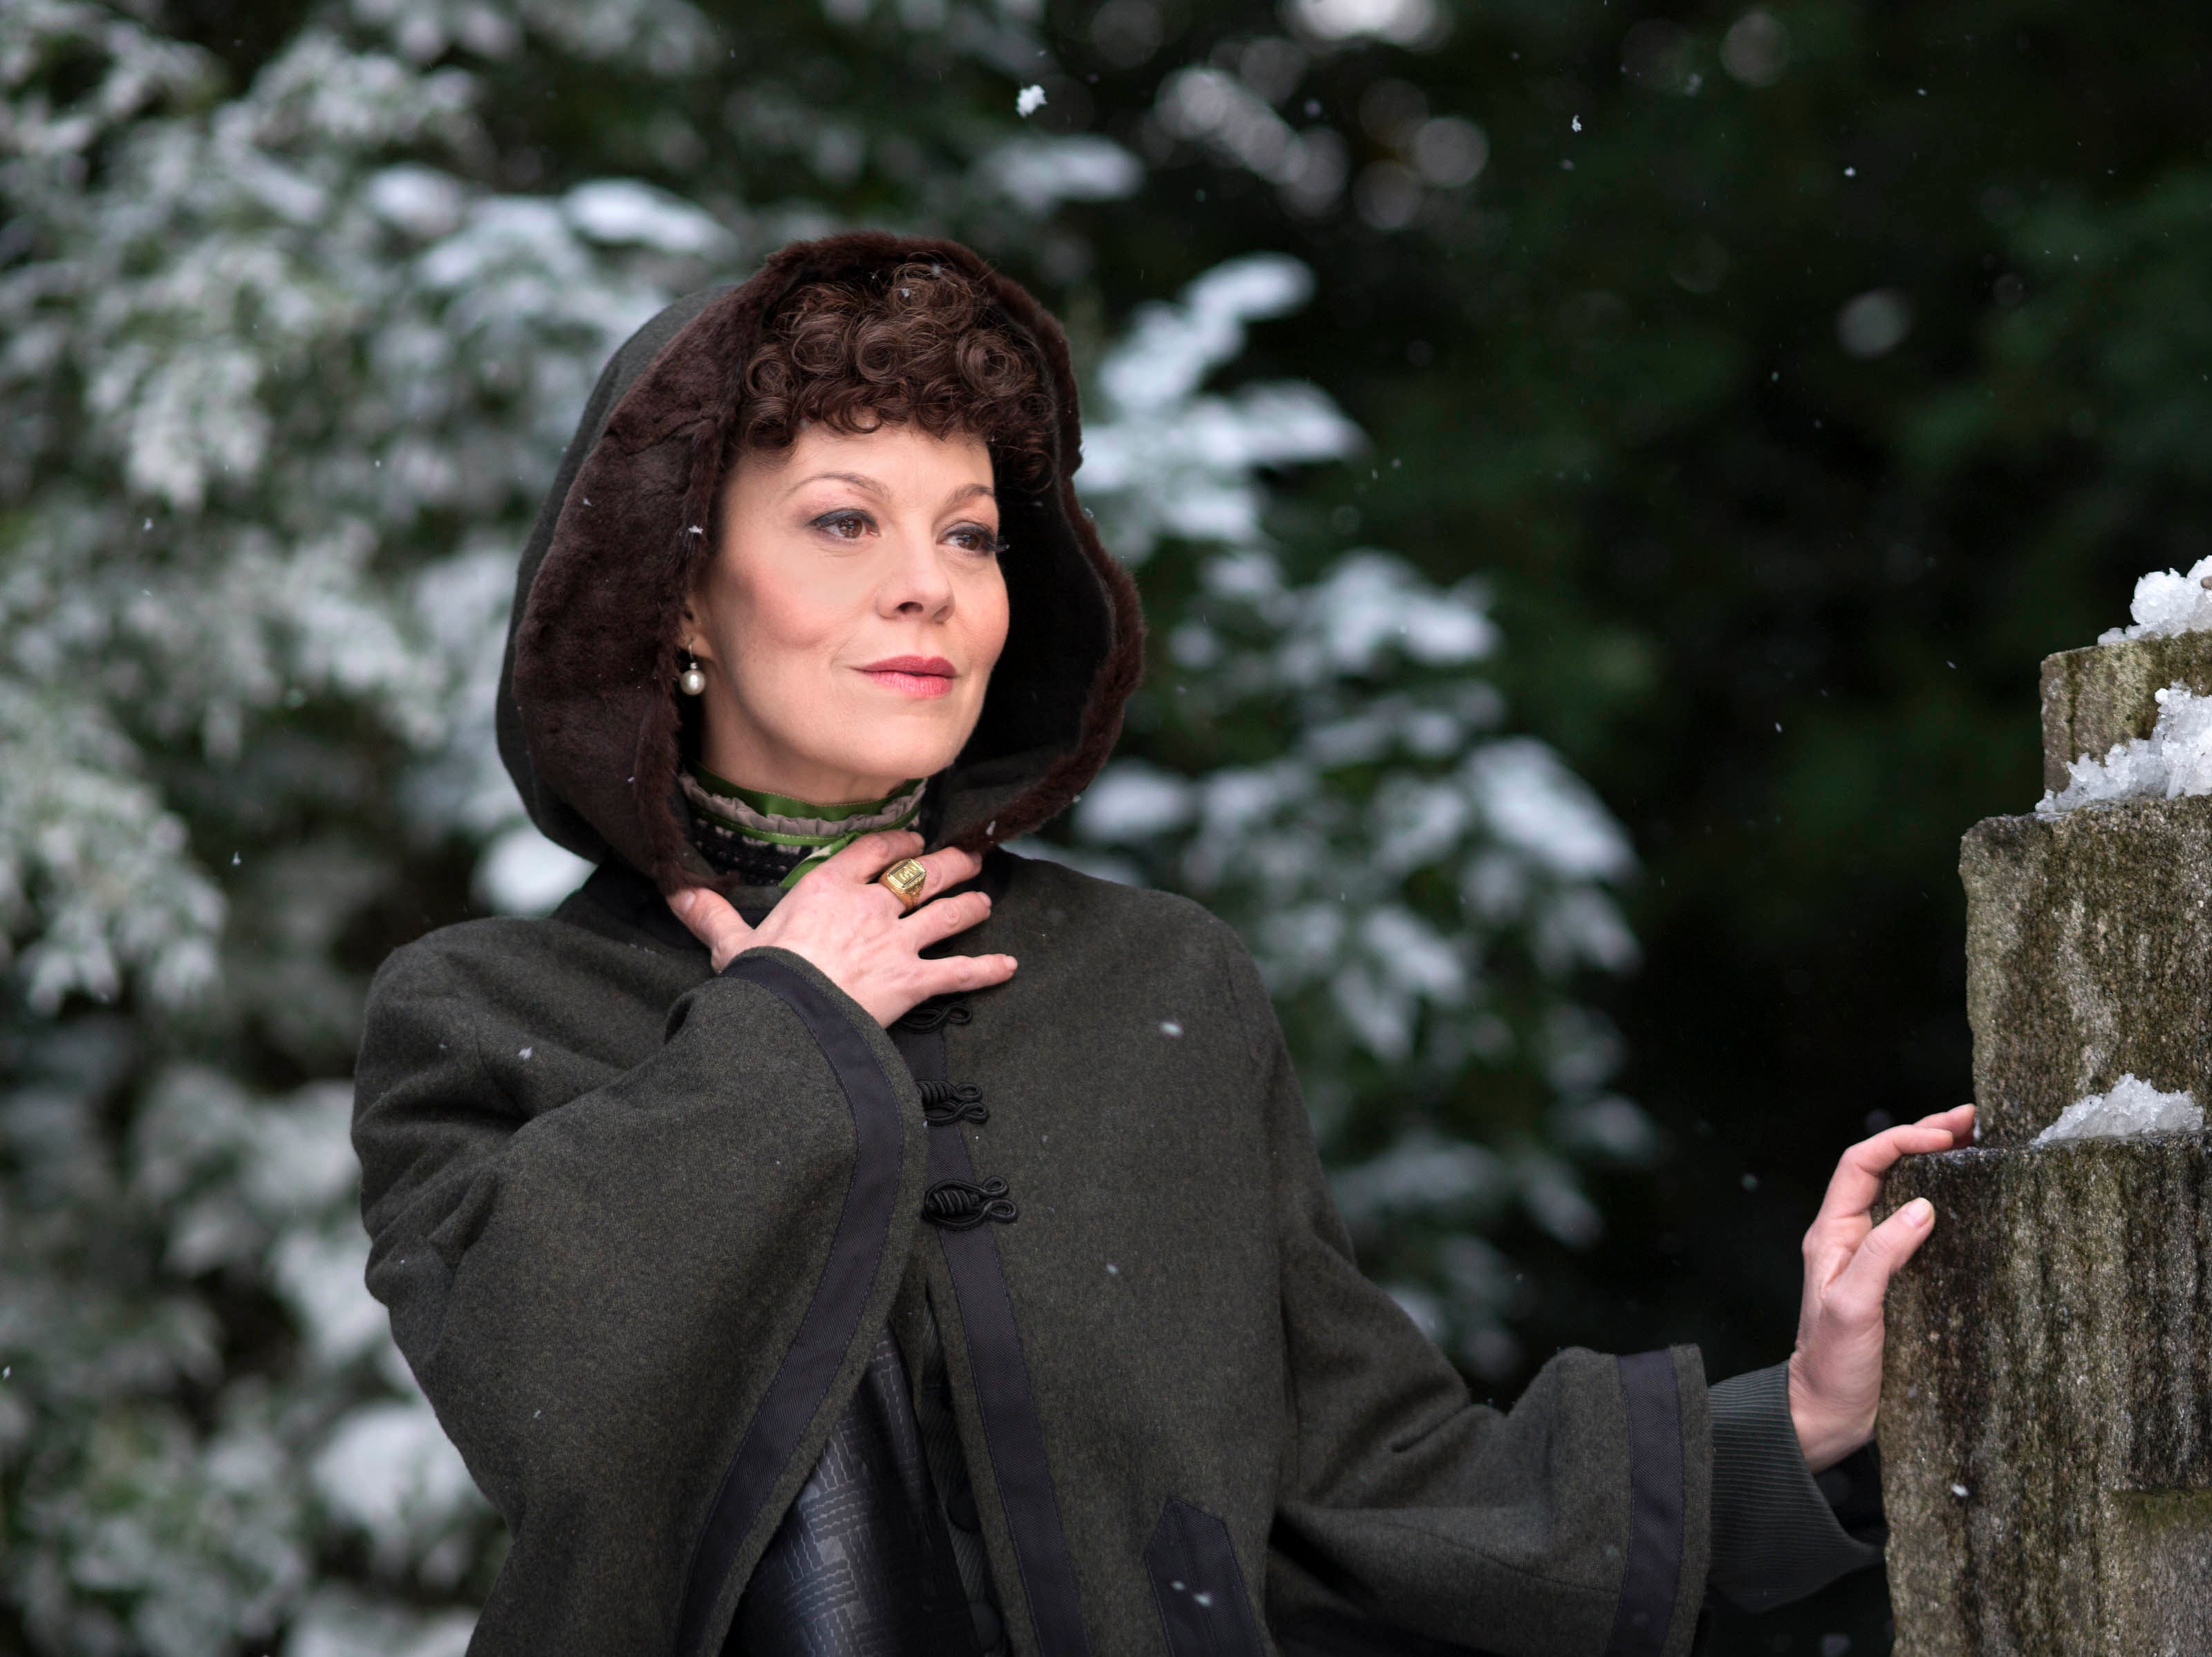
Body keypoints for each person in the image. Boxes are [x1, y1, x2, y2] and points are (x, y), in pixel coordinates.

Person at [351, 232, 1969, 1657]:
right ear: (683, 597)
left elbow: (1359, 1489)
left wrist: (1803, 1415)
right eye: (845, 521)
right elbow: (550, 1409)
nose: (930, 589)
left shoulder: (1158, 986)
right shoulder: (486, 1016)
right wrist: (788, 1026)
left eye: (972, 533)